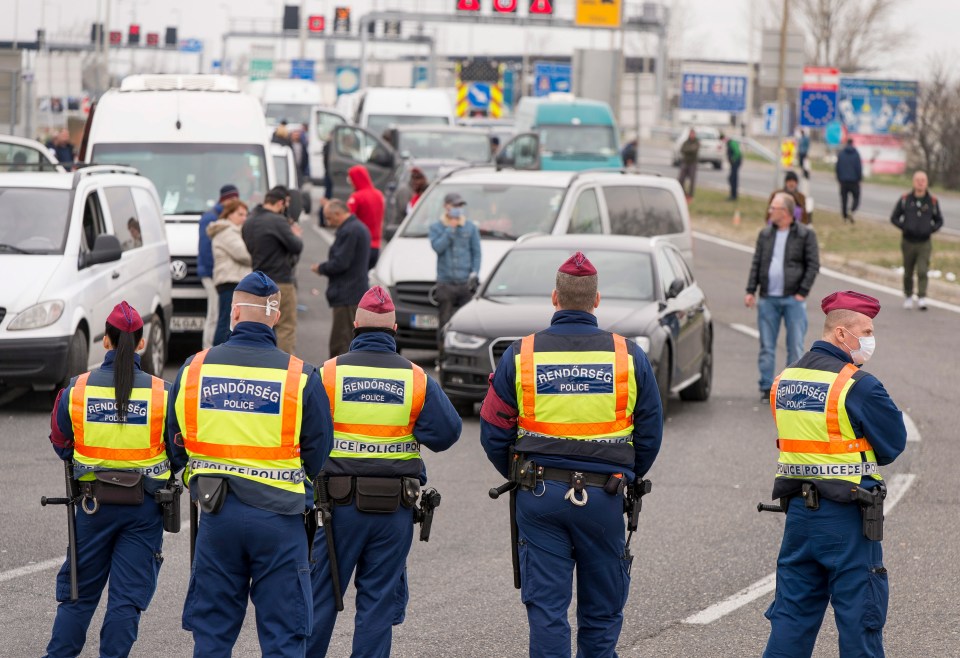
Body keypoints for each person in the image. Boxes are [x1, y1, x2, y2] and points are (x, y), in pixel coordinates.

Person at [479, 251, 663, 658]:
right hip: (605, 497)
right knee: (601, 611)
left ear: (554, 298)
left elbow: (493, 430)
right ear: (597, 301)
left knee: (547, 610)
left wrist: (519, 472)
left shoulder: (521, 354)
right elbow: (650, 433)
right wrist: (625, 473)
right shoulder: (627, 356)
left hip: (539, 493)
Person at [166, 271, 333, 658]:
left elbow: (175, 439)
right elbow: (317, 450)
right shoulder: (300, 376)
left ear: (234, 314)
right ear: (275, 316)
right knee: (284, 636)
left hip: (216, 515)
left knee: (212, 632)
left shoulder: (195, 369)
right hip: (280, 521)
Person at [308, 286, 462, 656]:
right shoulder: (416, 379)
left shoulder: (328, 373)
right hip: (393, 509)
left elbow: (304, 435)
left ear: (356, 325)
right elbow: (447, 433)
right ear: (394, 329)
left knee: (320, 599)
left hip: (337, 510)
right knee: (377, 607)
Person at [762, 290, 907, 658]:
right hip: (848, 518)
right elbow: (892, 445)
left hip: (798, 517)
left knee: (791, 620)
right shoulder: (857, 384)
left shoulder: (784, 381)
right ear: (841, 333)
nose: (871, 340)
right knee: (861, 623)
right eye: (866, 330)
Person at [44, 302, 172, 658]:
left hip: (92, 506)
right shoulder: (163, 393)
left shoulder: (77, 388)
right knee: (126, 599)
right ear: (142, 343)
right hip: (144, 511)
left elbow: (60, 440)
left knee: (78, 596)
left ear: (105, 340)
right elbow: (178, 449)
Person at [745, 192, 820, 401]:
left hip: (792, 299)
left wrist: (802, 292)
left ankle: (792, 386)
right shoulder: (765, 234)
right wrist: (751, 290)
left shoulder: (805, 235)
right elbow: (757, 263)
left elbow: (813, 265)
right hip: (768, 297)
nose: (769, 211)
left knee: (795, 345)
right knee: (767, 345)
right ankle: (766, 386)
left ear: (785, 212)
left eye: (773, 208)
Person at [242, 187, 303, 354]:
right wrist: (296, 235)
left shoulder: (249, 220)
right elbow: (296, 247)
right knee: (285, 327)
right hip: (281, 281)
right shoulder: (277, 221)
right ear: (281, 202)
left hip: (257, 282)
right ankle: (284, 369)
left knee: (259, 326)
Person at [311, 199, 371, 359]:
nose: (328, 222)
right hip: (355, 290)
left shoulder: (349, 231)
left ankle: (338, 380)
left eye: (329, 218)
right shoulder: (358, 228)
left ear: (338, 213)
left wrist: (321, 268)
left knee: (341, 344)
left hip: (347, 293)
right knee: (348, 339)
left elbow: (341, 262)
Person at [429, 192, 481, 354]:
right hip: (445, 283)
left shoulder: (470, 227)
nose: (458, 209)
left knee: (466, 321)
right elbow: (438, 247)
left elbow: (476, 252)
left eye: (460, 206)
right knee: (444, 320)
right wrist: (450, 230)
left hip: (464, 282)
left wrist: (475, 273)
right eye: (455, 205)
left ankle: (463, 352)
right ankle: (442, 353)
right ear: (446, 206)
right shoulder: (436, 227)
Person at [890, 170, 943, 310]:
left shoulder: (932, 201)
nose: (920, 182)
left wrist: (930, 229)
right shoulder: (905, 199)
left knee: (922, 270)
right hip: (908, 241)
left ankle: (922, 297)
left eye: (923, 180)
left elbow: (939, 220)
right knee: (908, 271)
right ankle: (908, 295)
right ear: (913, 182)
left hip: (924, 242)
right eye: (918, 180)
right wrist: (905, 227)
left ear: (926, 183)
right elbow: (894, 217)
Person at [198, 184, 240, 349]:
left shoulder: (216, 216)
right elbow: (207, 250)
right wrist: (214, 273)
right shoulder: (211, 218)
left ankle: (209, 347)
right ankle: (208, 348)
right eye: (232, 199)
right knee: (214, 313)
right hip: (212, 273)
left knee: (216, 312)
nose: (235, 201)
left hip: (214, 272)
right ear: (225, 199)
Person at [207, 199, 252, 345]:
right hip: (230, 280)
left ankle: (220, 354)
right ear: (229, 214)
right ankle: (217, 356)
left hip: (229, 280)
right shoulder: (227, 231)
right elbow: (244, 255)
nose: (244, 218)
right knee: (226, 321)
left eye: (246, 215)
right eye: (240, 214)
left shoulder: (229, 231)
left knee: (229, 320)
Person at [347, 165, 385, 269]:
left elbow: (347, 219)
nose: (350, 182)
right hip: (376, 245)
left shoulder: (356, 197)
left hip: (360, 246)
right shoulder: (379, 194)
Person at [836, 139, 863, 224]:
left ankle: (844, 217)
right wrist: (859, 179)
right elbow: (858, 168)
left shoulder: (841, 154)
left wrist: (839, 178)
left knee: (844, 199)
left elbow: (837, 167)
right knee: (856, 197)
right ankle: (852, 210)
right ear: (852, 143)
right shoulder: (856, 154)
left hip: (843, 180)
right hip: (854, 181)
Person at [678, 128, 700, 199]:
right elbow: (682, 149)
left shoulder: (696, 142)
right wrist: (689, 149)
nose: (692, 135)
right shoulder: (686, 142)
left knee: (692, 179)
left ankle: (691, 195)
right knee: (681, 178)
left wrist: (688, 150)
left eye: (693, 134)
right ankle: (682, 192)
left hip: (692, 163)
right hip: (685, 162)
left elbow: (694, 150)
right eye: (691, 133)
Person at [726, 132, 743, 201]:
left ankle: (734, 195)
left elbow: (737, 152)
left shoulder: (732, 143)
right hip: (734, 164)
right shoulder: (730, 143)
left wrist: (733, 159)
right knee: (731, 178)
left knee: (733, 179)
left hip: (735, 163)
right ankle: (732, 194)